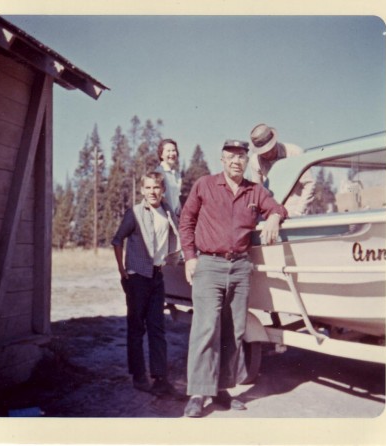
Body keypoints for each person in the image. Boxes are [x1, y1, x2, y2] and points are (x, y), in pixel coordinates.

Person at [179, 139, 288, 417]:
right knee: (205, 330)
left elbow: (277, 207)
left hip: (240, 268)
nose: (236, 161)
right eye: (231, 156)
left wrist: (274, 218)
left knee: (233, 331)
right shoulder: (205, 184)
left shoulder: (255, 191)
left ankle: (221, 390)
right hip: (209, 266)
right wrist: (190, 257)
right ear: (222, 160)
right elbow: (187, 221)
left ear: (245, 161)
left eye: (241, 157)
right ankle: (197, 392)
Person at [111, 171, 183, 398]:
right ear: (142, 190)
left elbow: (176, 233)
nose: (153, 192)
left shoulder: (167, 210)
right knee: (136, 327)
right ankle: (139, 376)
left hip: (157, 275)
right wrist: (123, 273)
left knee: (157, 328)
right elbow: (117, 240)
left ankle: (161, 379)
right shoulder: (135, 213)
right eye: (148, 188)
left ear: (163, 190)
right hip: (137, 277)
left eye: (157, 188)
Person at [249, 123, 315, 216]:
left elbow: (309, 184)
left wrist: (299, 212)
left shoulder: (295, 153)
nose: (266, 154)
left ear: (274, 142)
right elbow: (257, 190)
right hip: (271, 213)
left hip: (296, 211)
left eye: (269, 150)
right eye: (262, 152)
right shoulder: (255, 160)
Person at [155, 138, 182, 216]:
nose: (172, 153)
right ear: (161, 155)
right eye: (168, 151)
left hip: (175, 217)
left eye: (174, 150)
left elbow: (177, 200)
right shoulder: (159, 173)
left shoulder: (177, 175)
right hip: (162, 215)